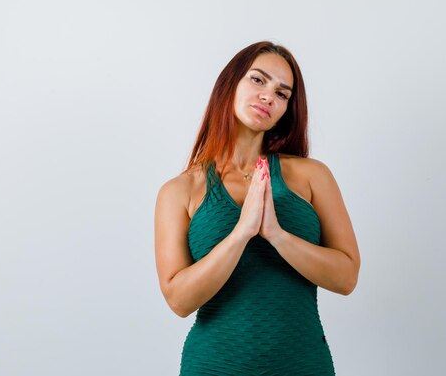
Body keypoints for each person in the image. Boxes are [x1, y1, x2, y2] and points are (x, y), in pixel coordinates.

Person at [154, 40, 360, 375]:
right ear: (229, 84)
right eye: (258, 80)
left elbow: (346, 277)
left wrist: (276, 235)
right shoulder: (179, 191)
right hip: (212, 366)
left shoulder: (312, 176)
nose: (269, 96)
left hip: (303, 365)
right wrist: (242, 233)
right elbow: (179, 300)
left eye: (282, 93)